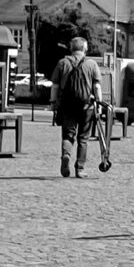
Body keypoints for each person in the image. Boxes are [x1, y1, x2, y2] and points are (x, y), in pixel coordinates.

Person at [51, 37, 102, 177]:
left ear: (71, 48)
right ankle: (80, 168)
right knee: (83, 138)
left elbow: (55, 86)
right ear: (85, 49)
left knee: (68, 136)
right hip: (86, 106)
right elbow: (96, 86)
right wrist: (99, 104)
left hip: (67, 105)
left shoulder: (63, 63)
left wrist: (53, 103)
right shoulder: (91, 64)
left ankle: (66, 156)